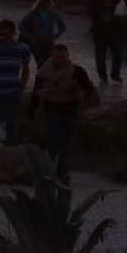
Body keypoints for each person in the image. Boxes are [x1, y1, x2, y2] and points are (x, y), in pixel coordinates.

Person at [31, 43, 98, 178]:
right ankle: (55, 172)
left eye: (63, 57)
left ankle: (61, 171)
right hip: (52, 110)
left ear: (67, 57)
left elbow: (89, 89)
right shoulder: (43, 72)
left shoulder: (76, 71)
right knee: (54, 143)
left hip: (70, 110)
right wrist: (35, 108)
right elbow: (36, 93)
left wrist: (80, 93)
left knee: (66, 144)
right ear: (52, 57)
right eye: (57, 57)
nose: (60, 60)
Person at [0, 19, 32, 147]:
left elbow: (26, 68)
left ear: (13, 32)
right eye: (1, 33)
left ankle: (9, 156)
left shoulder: (23, 48)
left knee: (12, 127)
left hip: (12, 93)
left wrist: (21, 87)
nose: (3, 36)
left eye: (6, 33)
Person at [85, 0, 124, 83]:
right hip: (100, 31)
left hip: (114, 31)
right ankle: (102, 74)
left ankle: (115, 74)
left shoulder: (117, 0)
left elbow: (125, 12)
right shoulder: (95, 2)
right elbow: (89, 13)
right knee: (100, 54)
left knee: (118, 54)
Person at [19, 0, 67, 67]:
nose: (47, 6)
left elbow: (63, 26)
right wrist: (29, 36)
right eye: (45, 4)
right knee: (40, 63)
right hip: (36, 42)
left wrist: (56, 35)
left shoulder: (53, 14)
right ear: (40, 4)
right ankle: (40, 77)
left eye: (49, 4)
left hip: (49, 42)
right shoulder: (33, 14)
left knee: (48, 63)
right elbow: (21, 26)